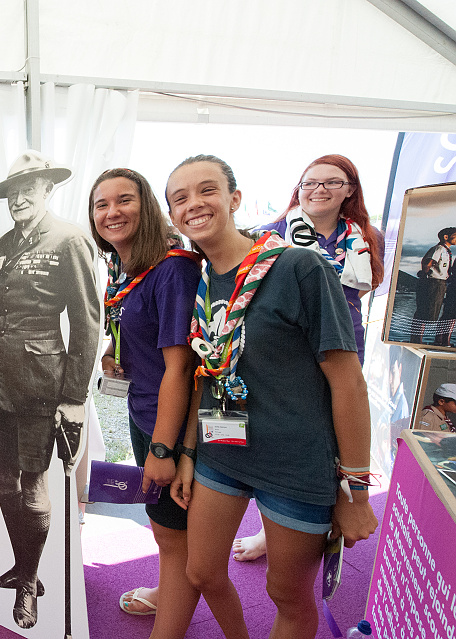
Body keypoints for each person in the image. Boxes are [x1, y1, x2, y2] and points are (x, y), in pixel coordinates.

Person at [166, 155, 377, 638]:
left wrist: (356, 491)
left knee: (287, 593)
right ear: (173, 215)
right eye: (180, 198)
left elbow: (348, 382)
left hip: (295, 463)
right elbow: (206, 374)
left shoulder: (298, 266)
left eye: (207, 190)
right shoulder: (198, 280)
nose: (194, 204)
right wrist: (187, 455)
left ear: (235, 199)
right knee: (200, 571)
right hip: (223, 451)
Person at [0, 151, 100, 629]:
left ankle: (30, 583)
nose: (19, 198)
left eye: (31, 188)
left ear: (49, 190)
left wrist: (74, 397)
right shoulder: (1, 243)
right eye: (12, 191)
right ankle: (21, 565)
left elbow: (87, 323)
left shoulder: (69, 240)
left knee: (32, 482)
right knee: (4, 478)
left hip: (40, 382)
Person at [233, 154, 385, 562]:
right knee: (284, 433)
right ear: (297, 190)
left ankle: (336, 508)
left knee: (335, 430)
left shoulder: (366, 236)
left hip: (342, 342)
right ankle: (273, 528)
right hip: (285, 352)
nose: (319, 190)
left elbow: (364, 287)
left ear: (349, 189)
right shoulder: (268, 234)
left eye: (331, 183)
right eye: (309, 183)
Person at [88, 168, 202, 636]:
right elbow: (149, 336)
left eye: (124, 200)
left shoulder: (172, 267)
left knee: (175, 535)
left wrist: (162, 449)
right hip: (143, 411)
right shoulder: (127, 266)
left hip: (168, 424)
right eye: (101, 204)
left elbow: (181, 368)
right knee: (164, 526)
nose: (112, 211)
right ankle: (166, 590)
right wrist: (118, 351)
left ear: (148, 205)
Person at [412, 227, 455, 344]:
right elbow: (427, 262)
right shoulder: (439, 249)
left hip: (440, 283)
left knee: (432, 311)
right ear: (446, 237)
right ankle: (416, 340)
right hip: (433, 282)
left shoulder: (446, 251)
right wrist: (425, 274)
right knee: (424, 311)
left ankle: (421, 339)